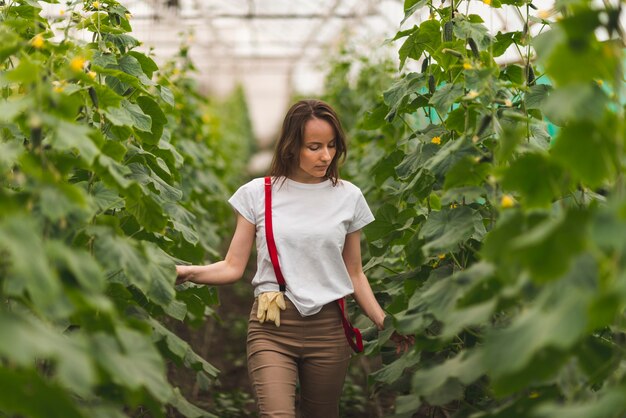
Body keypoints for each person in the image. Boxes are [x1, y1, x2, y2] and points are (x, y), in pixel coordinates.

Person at [175, 99, 412, 417]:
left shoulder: (348, 197)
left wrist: (384, 322)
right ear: (290, 147)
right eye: (314, 147)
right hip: (272, 325)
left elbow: (355, 273)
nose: (326, 156)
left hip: (328, 330)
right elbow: (232, 267)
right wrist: (184, 272)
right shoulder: (258, 193)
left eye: (331, 146)